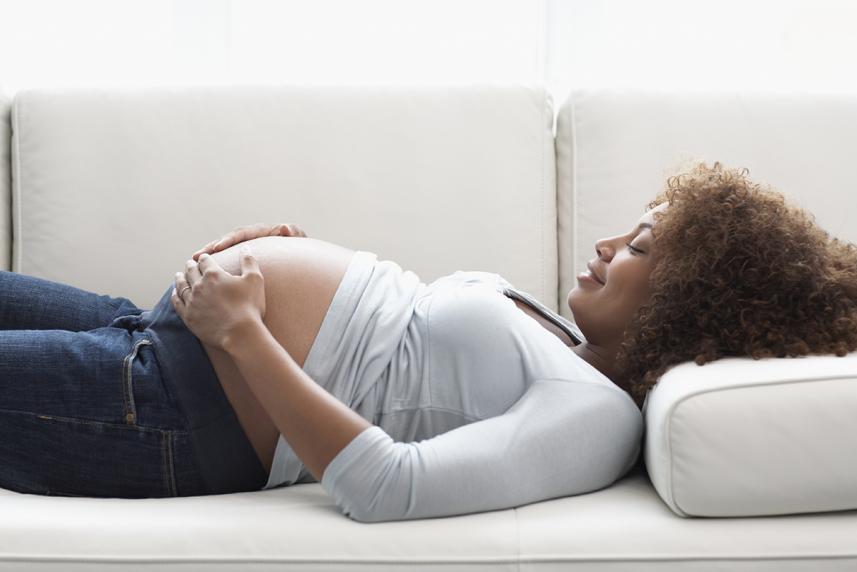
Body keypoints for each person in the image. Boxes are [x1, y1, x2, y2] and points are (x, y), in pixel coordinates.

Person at [1, 161, 854, 522]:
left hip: (169, 411)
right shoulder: (558, 336)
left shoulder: (596, 417)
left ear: (690, 308)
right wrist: (280, 257)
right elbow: (387, 351)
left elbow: (388, 486)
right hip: (156, 336)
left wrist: (249, 330)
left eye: (636, 250)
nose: (603, 247)